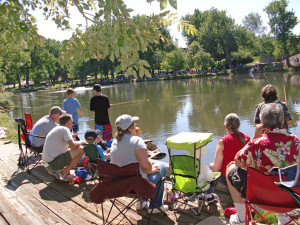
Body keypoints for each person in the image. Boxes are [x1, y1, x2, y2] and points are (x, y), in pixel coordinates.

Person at [227, 103, 299, 225]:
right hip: (291, 200)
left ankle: (241, 217)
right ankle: (284, 218)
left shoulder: (256, 144)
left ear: (261, 121)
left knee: (231, 167)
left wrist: (254, 138)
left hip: (260, 199)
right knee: (283, 175)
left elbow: (238, 161)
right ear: (283, 120)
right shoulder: (297, 142)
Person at [110, 114, 168, 214]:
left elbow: (127, 153)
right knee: (161, 167)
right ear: (131, 127)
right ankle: (155, 206)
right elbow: (146, 167)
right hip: (137, 188)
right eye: (134, 123)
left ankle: (143, 201)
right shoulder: (137, 141)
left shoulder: (114, 142)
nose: (135, 125)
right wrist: (151, 170)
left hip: (120, 186)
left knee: (144, 172)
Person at [209, 113, 250, 186]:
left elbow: (216, 167)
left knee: (212, 172)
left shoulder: (223, 141)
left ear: (225, 126)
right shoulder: (247, 138)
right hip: (244, 176)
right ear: (239, 125)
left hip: (228, 178)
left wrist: (210, 165)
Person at [42, 113, 84, 182]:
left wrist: (72, 137)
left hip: (47, 164)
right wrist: (82, 142)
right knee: (81, 149)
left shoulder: (57, 128)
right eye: (71, 122)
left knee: (71, 150)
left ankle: (60, 172)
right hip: (52, 164)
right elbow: (73, 146)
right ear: (67, 123)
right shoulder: (65, 129)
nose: (72, 124)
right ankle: (64, 173)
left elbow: (67, 146)